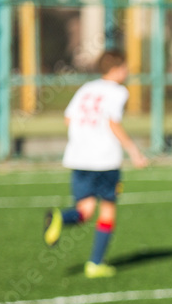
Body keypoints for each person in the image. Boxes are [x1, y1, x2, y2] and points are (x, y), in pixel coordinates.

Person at [43, 49, 147, 277]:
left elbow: (68, 118)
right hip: (104, 159)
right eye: (126, 67)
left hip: (78, 156)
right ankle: (95, 264)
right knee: (107, 209)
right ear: (118, 69)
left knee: (85, 211)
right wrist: (134, 150)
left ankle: (61, 217)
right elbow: (112, 122)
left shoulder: (86, 88)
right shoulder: (118, 92)